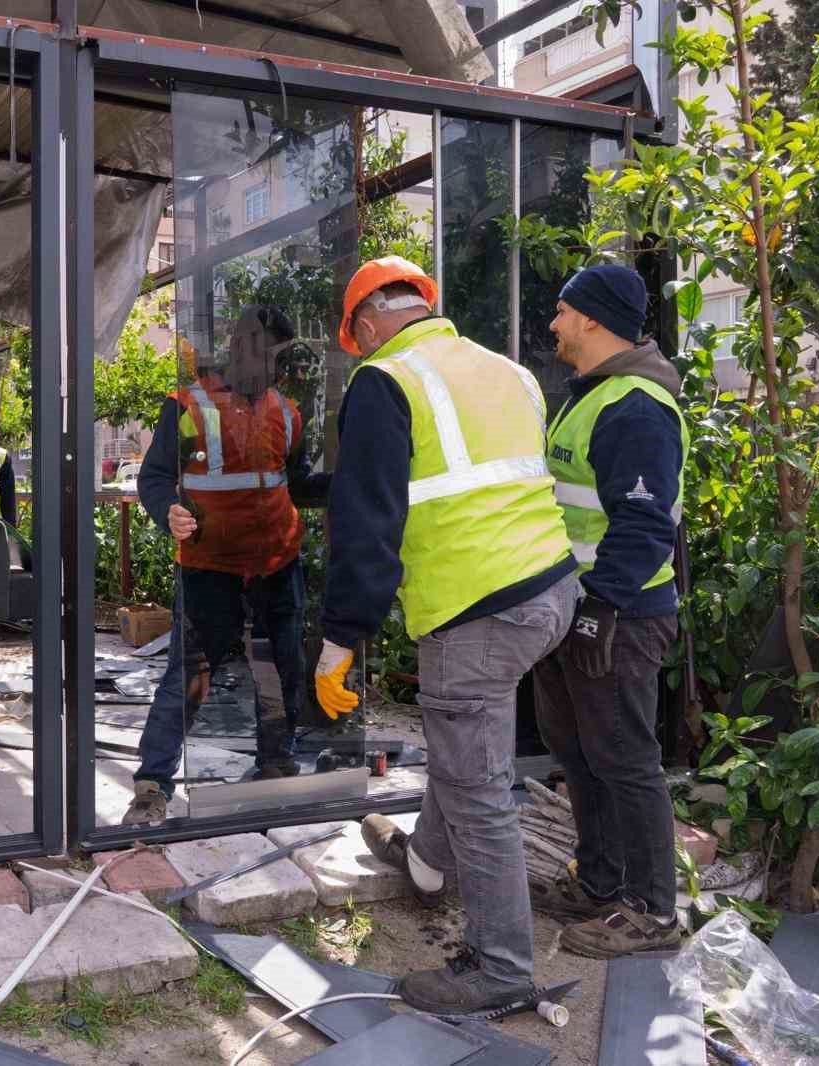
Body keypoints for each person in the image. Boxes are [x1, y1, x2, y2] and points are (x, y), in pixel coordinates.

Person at [321, 256, 580, 1017]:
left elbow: (366, 527)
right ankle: (427, 862)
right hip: (550, 589)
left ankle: (500, 966)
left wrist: (340, 640)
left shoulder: (385, 381)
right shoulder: (510, 373)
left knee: (477, 786)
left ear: (367, 327)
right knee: (465, 740)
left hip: (477, 608)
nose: (358, 353)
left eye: (355, 341)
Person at [530, 263, 688, 958]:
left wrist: (602, 608)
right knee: (579, 752)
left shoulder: (636, 406)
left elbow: (646, 521)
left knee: (625, 759)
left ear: (593, 319)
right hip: (578, 608)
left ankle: (653, 912)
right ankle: (598, 882)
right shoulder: (590, 395)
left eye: (564, 312)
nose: (555, 323)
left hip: (620, 614)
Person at [121, 306, 328, 825]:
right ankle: (153, 784)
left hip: (277, 564)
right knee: (190, 674)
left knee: (279, 667)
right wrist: (167, 509)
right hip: (209, 567)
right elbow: (155, 478)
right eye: (265, 353)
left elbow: (295, 484)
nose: (273, 367)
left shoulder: (286, 412)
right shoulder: (188, 405)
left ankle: (275, 764)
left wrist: (352, 484)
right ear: (239, 349)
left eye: (279, 357)